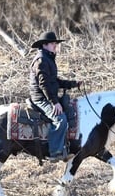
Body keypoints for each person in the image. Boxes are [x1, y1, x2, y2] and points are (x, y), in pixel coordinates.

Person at [28, 31, 81, 161]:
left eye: (55, 44)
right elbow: (44, 85)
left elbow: (54, 81)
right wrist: (54, 102)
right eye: (53, 44)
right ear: (45, 45)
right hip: (40, 98)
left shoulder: (47, 58)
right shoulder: (41, 60)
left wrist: (73, 84)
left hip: (47, 96)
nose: (55, 46)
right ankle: (54, 152)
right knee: (60, 119)